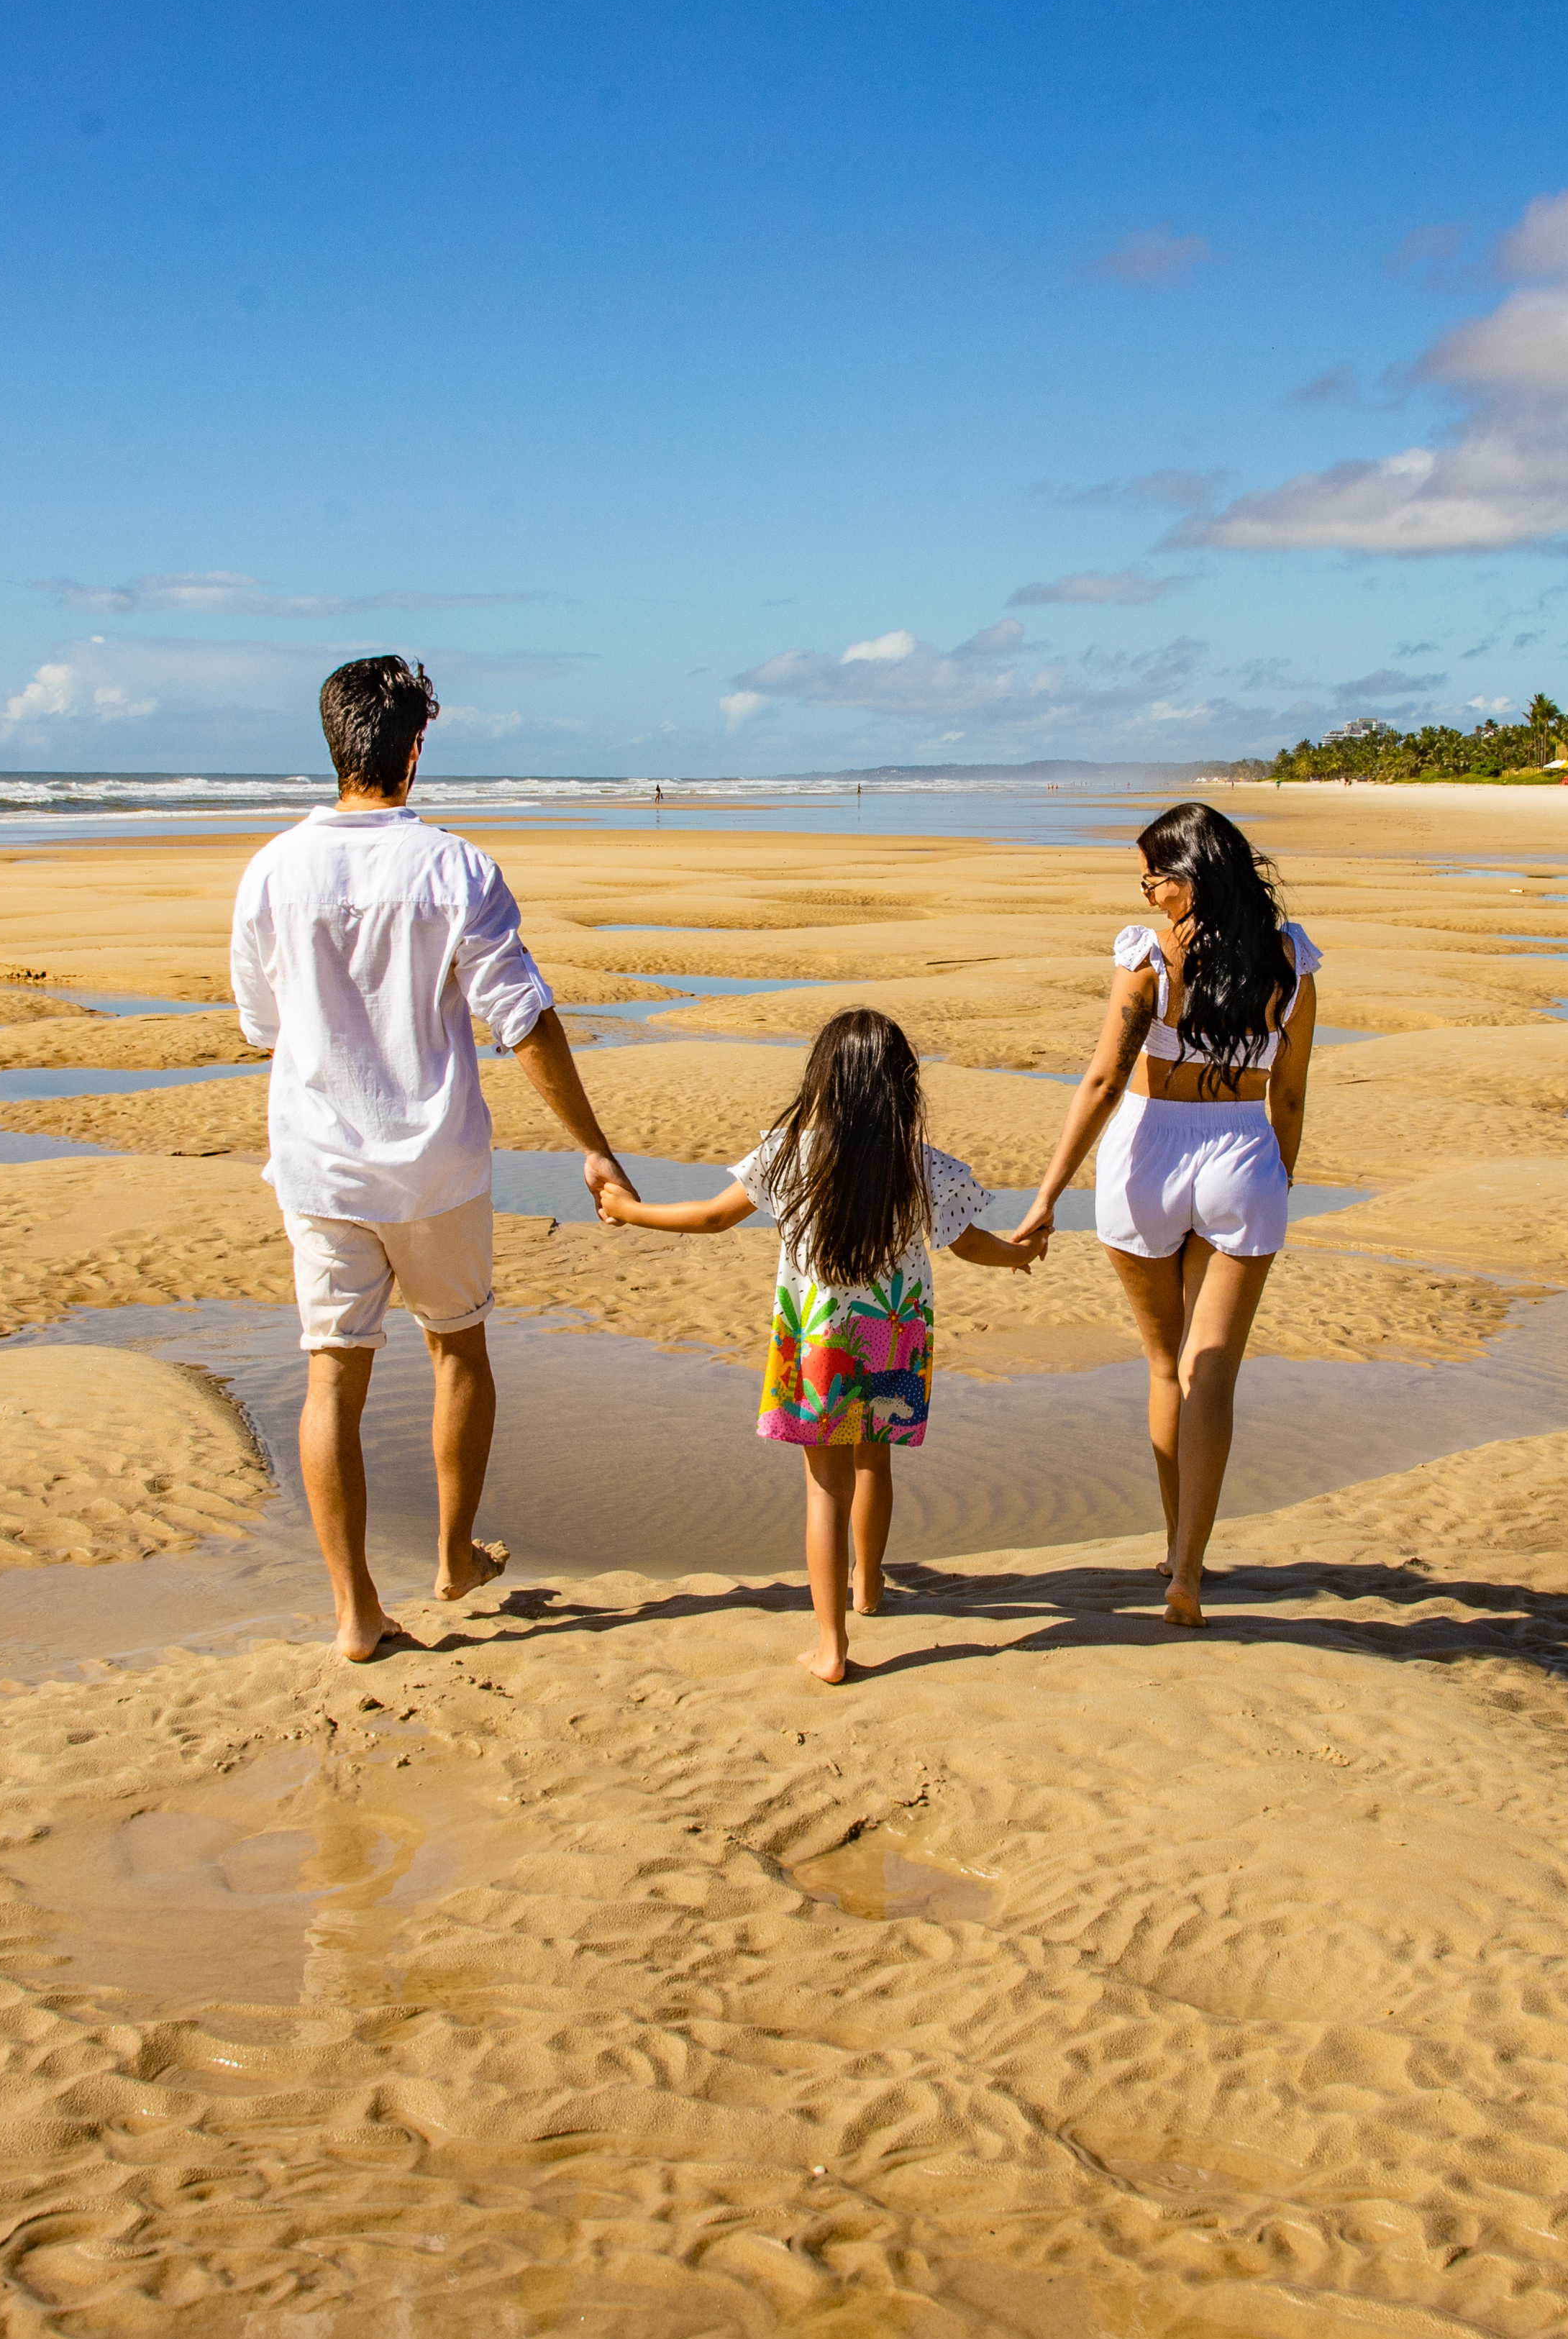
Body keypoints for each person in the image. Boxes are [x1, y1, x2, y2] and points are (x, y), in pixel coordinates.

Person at [231, 655, 642, 1661]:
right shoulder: (453, 866)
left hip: (321, 1162)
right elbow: (526, 1023)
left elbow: (261, 1026)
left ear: (336, 745)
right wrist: (594, 1148)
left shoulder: (272, 870)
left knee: (335, 1377)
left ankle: (354, 1612)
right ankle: (456, 1556)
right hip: (439, 1166)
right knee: (456, 1346)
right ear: (414, 751)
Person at [587, 1009, 1041, 1683]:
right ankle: (871, 1586)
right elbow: (970, 1243)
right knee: (874, 1465)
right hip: (894, 1337)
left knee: (823, 1488)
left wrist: (628, 1211)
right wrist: (1017, 1257)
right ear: (899, 1086)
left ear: (823, 1079)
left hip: (820, 1340)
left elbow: (711, 1218)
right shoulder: (917, 1163)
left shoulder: (791, 1150)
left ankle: (831, 1646)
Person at [1003, 803, 1318, 1628]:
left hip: (1146, 1157)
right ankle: (1189, 1567)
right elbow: (1289, 1095)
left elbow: (1104, 1081)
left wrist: (1045, 1197)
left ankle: (1175, 1539)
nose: (1146, 896)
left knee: (1163, 1362)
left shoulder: (1148, 958)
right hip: (1243, 1154)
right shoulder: (1290, 960)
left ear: (1187, 876)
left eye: (1151, 878)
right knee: (1210, 1371)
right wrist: (1274, 1178)